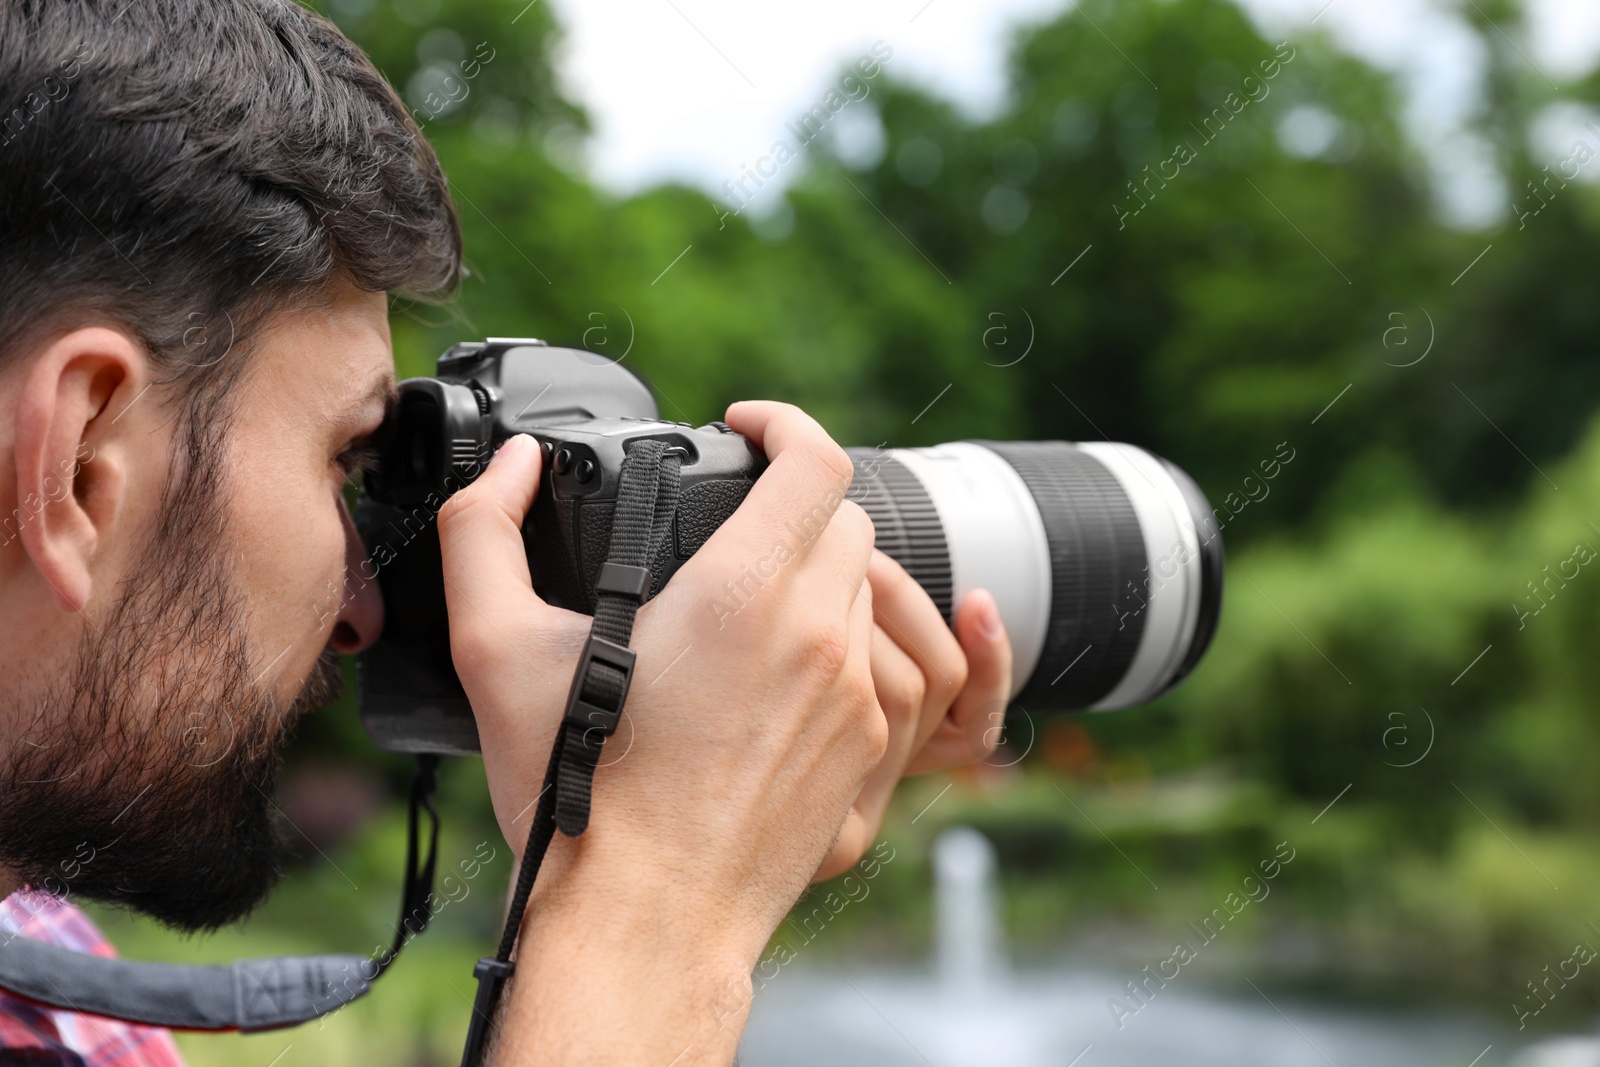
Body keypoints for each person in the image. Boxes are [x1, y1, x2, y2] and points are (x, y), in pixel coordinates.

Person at [0, 1, 1015, 1064]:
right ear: (77, 460)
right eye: (341, 460)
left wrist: (718, 815)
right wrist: (653, 907)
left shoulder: (45, 970)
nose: (366, 602)